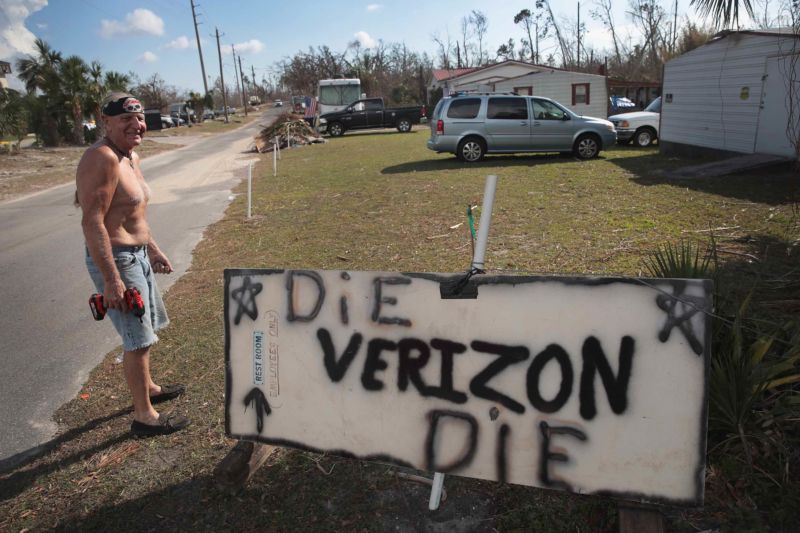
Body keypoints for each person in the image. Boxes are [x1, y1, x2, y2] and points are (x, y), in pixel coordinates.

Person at [76, 92, 190, 437]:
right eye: (125, 120)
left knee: (147, 329)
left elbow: (133, 212)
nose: (136, 125)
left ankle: (150, 388)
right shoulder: (102, 158)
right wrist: (112, 280)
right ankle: (144, 417)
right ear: (106, 122)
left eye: (138, 118)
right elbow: (92, 222)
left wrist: (153, 249)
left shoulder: (131, 156)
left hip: (136, 255)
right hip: (117, 259)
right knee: (136, 338)